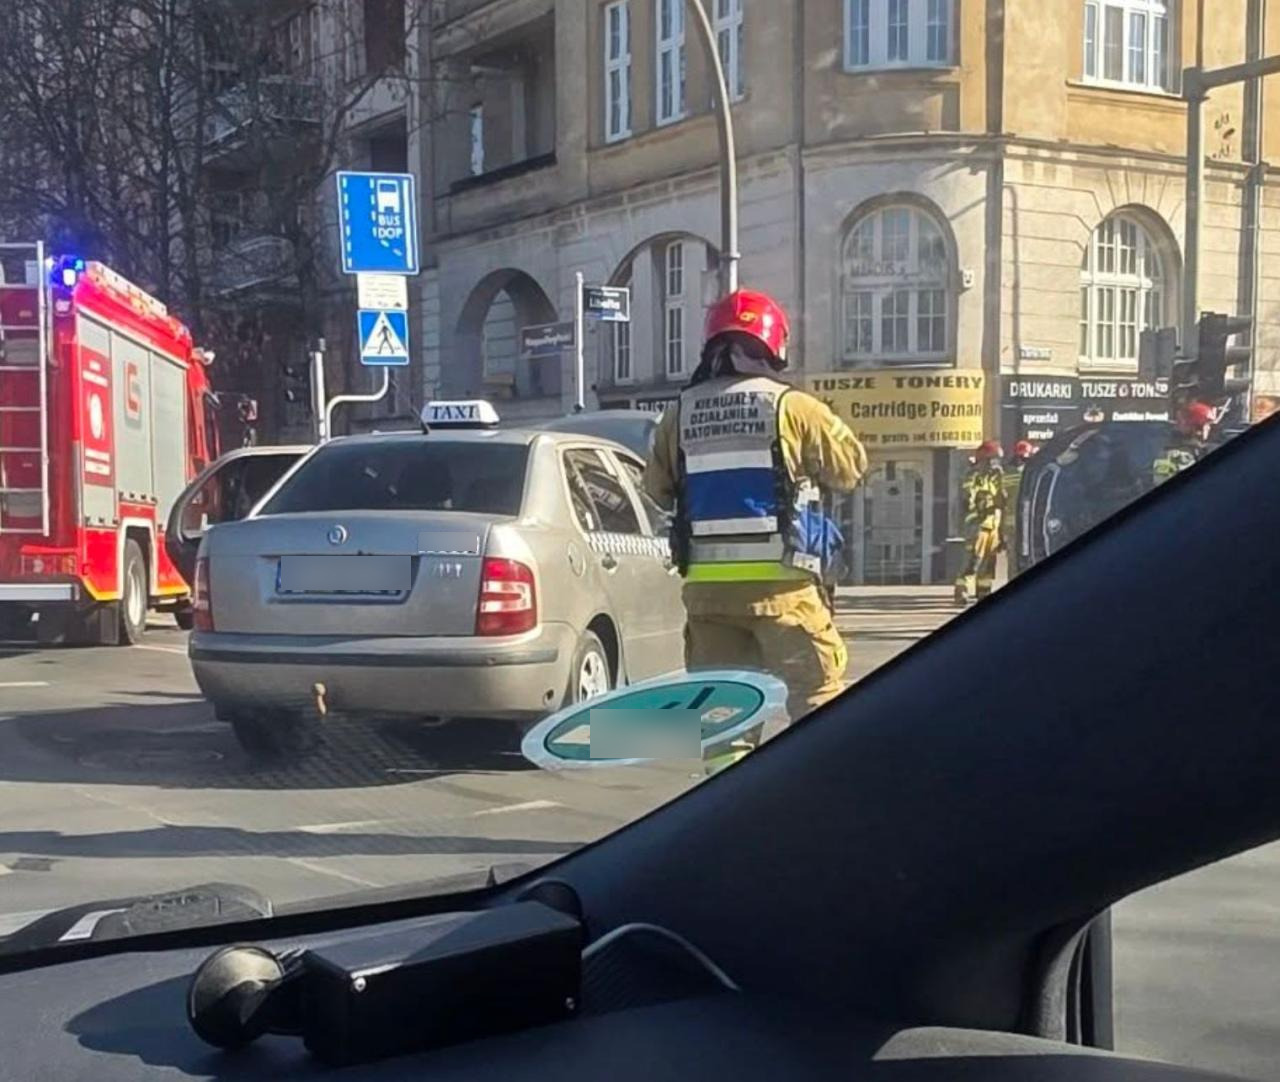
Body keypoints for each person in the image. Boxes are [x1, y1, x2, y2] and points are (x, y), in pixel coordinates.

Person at [643, 288, 868, 730]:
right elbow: (851, 468)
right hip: (784, 594)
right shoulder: (793, 406)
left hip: (709, 600)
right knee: (817, 702)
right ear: (775, 344)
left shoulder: (678, 413)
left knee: (723, 720)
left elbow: (657, 490)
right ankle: (815, 795)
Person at [954, 440, 1005, 606]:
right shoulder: (973, 475)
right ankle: (961, 591)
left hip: (993, 525)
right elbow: (968, 498)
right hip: (978, 525)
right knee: (973, 561)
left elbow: (1002, 497)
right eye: (993, 459)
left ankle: (984, 592)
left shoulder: (996, 475)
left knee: (989, 563)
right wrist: (984, 504)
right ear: (985, 459)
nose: (996, 463)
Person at [1153, 401, 1213, 486]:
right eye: (1206, 424)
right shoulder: (1169, 455)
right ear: (1197, 427)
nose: (1209, 428)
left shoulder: (1204, 451)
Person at [1000, 439, 1036, 578]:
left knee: (1014, 558)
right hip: (1025, 523)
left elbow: (1001, 498)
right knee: (1025, 555)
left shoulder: (1006, 473)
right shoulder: (1031, 472)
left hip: (1013, 523)